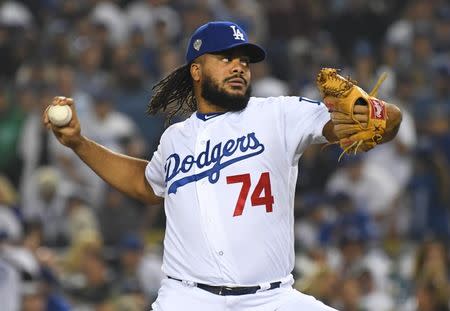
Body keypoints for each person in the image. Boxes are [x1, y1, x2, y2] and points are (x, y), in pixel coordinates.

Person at [44, 21, 402, 311]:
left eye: (245, 60)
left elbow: (385, 122)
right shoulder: (175, 139)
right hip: (187, 298)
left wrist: (374, 115)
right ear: (196, 70)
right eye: (226, 58)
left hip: (271, 299)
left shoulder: (278, 113)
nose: (239, 66)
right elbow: (146, 184)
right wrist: (78, 142)